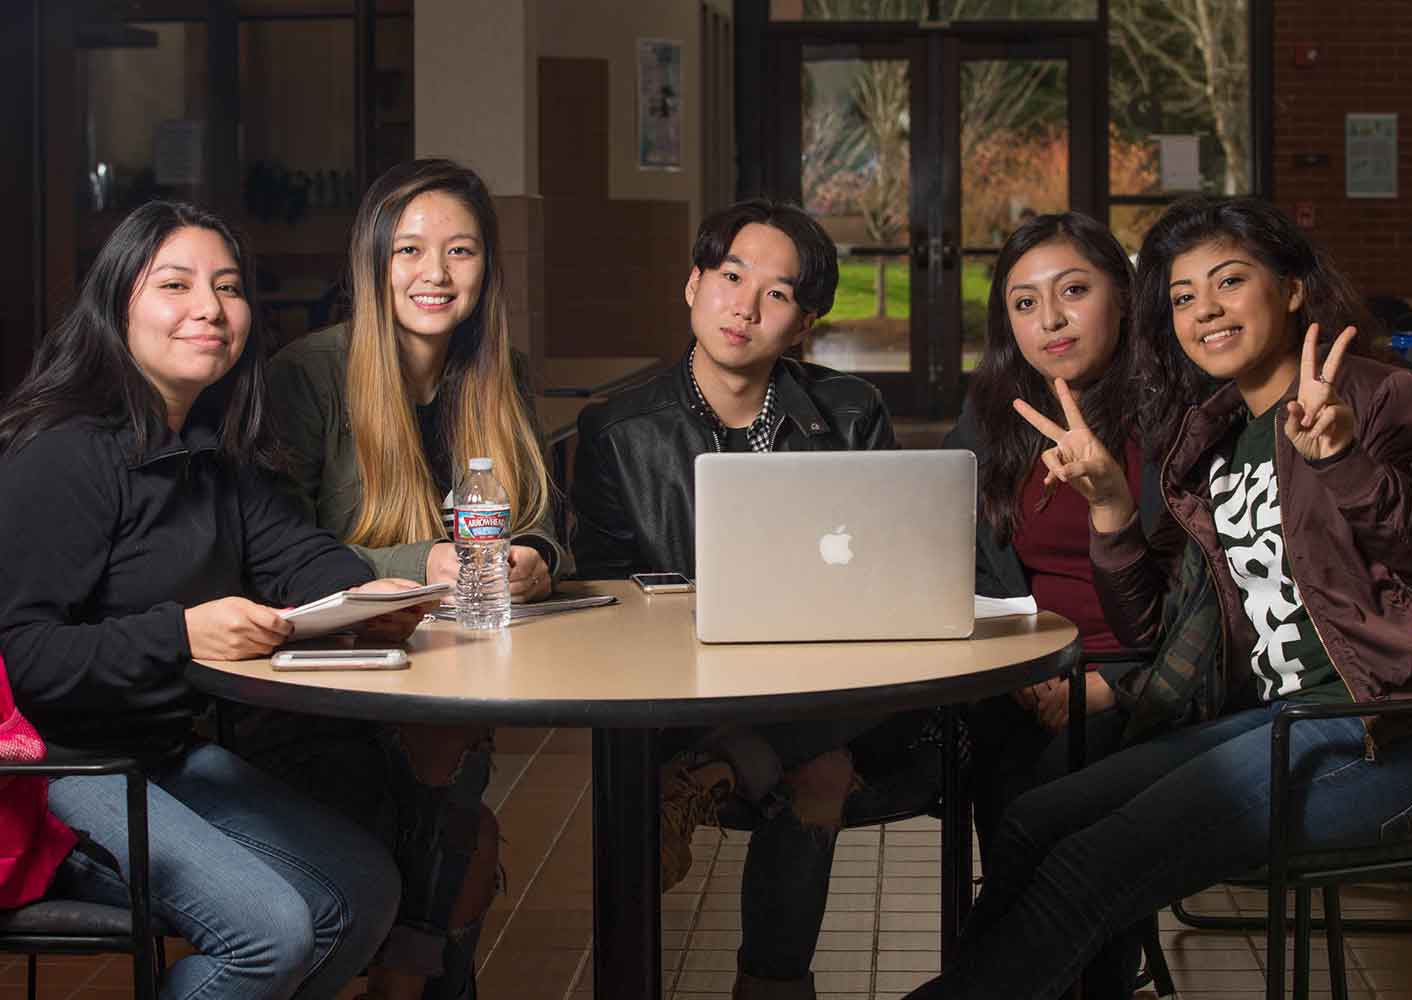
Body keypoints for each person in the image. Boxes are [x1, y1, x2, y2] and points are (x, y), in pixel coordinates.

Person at [907, 197, 1412, 999]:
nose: (1206, 310)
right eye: (1184, 296)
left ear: (1291, 289)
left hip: (1387, 739)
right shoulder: (1213, 439)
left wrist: (1343, 463)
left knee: (1092, 860)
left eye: (1229, 282)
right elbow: (1155, 625)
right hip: (1269, 723)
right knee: (1032, 821)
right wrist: (1114, 511)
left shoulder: (1380, 397)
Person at [0, 201, 409, 1000]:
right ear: (118, 307)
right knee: (272, 933)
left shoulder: (215, 453)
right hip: (50, 775)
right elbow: (26, 656)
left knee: (364, 893)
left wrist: (368, 594)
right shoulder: (63, 452)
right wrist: (180, 635)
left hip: (159, 758)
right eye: (175, 285)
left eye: (227, 287)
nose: (209, 309)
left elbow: (298, 554)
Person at [572, 197, 929, 1000]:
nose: (745, 305)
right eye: (732, 276)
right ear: (693, 285)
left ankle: (736, 763)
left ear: (803, 323)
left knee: (835, 741)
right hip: (689, 686)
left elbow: (890, 572)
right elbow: (603, 586)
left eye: (778, 293)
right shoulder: (617, 431)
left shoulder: (849, 411)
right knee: (820, 766)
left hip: (829, 678)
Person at [241, 158, 565, 1000]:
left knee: (458, 796)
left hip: (455, 677)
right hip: (319, 695)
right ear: (374, 262)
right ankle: (409, 977)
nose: (435, 274)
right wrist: (421, 563)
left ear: (486, 267)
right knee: (466, 835)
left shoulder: (506, 375)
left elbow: (538, 519)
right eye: (410, 250)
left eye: (459, 251)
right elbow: (273, 548)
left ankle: (407, 976)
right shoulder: (308, 376)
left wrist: (533, 558)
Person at [943, 212, 1184, 998]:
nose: (1048, 320)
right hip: (1031, 666)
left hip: (1147, 672)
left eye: (1073, 291)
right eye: (1023, 303)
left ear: (1123, 295)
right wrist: (1018, 664)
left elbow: (1209, 589)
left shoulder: (1182, 408)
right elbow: (958, 551)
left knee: (1049, 792)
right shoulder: (994, 412)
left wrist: (1113, 678)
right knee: (993, 751)